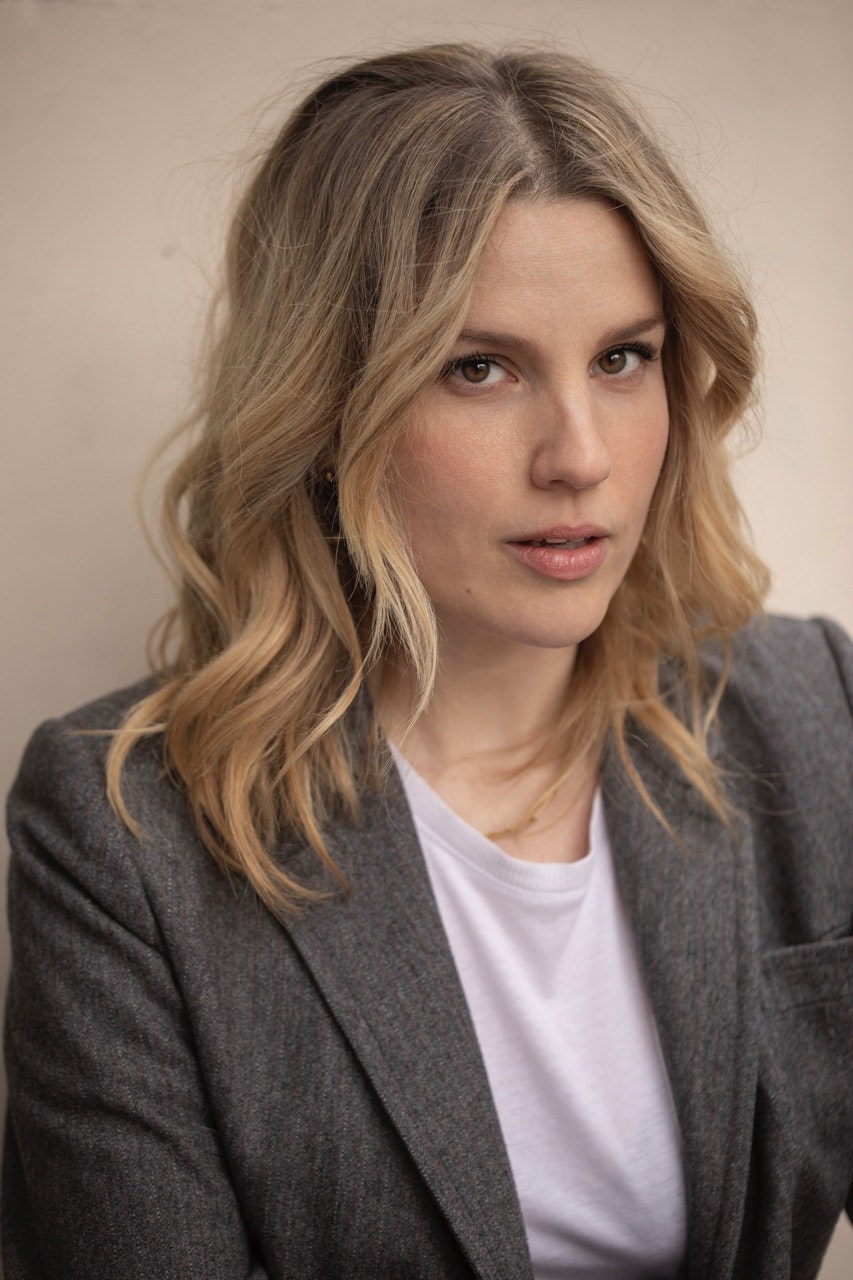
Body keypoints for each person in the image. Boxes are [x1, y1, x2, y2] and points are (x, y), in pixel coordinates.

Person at [3, 42, 851, 1280]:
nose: (580, 455)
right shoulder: (125, 835)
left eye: (623, 357)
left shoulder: (814, 708)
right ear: (325, 404)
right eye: (478, 367)